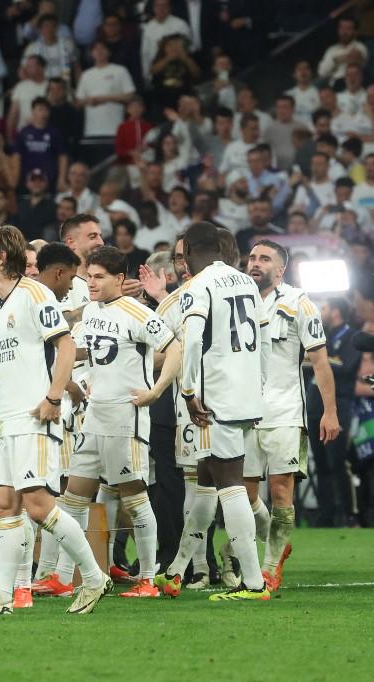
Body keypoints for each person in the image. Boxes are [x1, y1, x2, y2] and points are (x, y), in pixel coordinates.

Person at [0, 224, 112, 616]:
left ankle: (93, 578)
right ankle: (2, 596)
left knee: (39, 507)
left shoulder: (33, 293)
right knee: (4, 506)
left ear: (0, 258)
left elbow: (66, 344)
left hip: (32, 418)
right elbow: (3, 367)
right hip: (5, 419)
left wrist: (53, 396)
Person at [154, 221, 271, 601]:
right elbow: (263, 341)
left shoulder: (198, 287)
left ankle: (252, 583)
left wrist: (188, 390)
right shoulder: (246, 282)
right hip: (245, 392)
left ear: (188, 254)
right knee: (206, 475)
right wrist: (259, 390)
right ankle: (176, 571)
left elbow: (190, 342)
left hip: (213, 395)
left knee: (228, 481)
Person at [59, 246, 182, 598]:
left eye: (99, 277)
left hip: (125, 419)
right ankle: (69, 577)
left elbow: (175, 348)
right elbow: (85, 350)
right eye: (90, 275)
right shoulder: (92, 311)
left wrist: (156, 392)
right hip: (94, 417)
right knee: (73, 498)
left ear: (119, 279)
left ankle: (147, 579)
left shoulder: (138, 313)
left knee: (134, 497)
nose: (92, 282)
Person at [244, 240, 340, 589]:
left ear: (280, 269)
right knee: (245, 494)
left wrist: (329, 411)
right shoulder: (237, 300)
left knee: (281, 491)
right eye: (252, 257)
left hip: (284, 411)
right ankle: (273, 543)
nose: (255, 263)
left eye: (264, 259)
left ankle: (269, 568)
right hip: (243, 410)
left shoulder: (300, 303)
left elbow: (319, 361)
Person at [307, 297, 361, 528]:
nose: (321, 312)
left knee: (337, 462)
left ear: (336, 311)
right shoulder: (322, 336)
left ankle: (349, 514)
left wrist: (317, 359)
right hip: (314, 407)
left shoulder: (352, 337)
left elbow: (346, 366)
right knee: (320, 463)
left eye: (325, 308)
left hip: (338, 406)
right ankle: (326, 514)